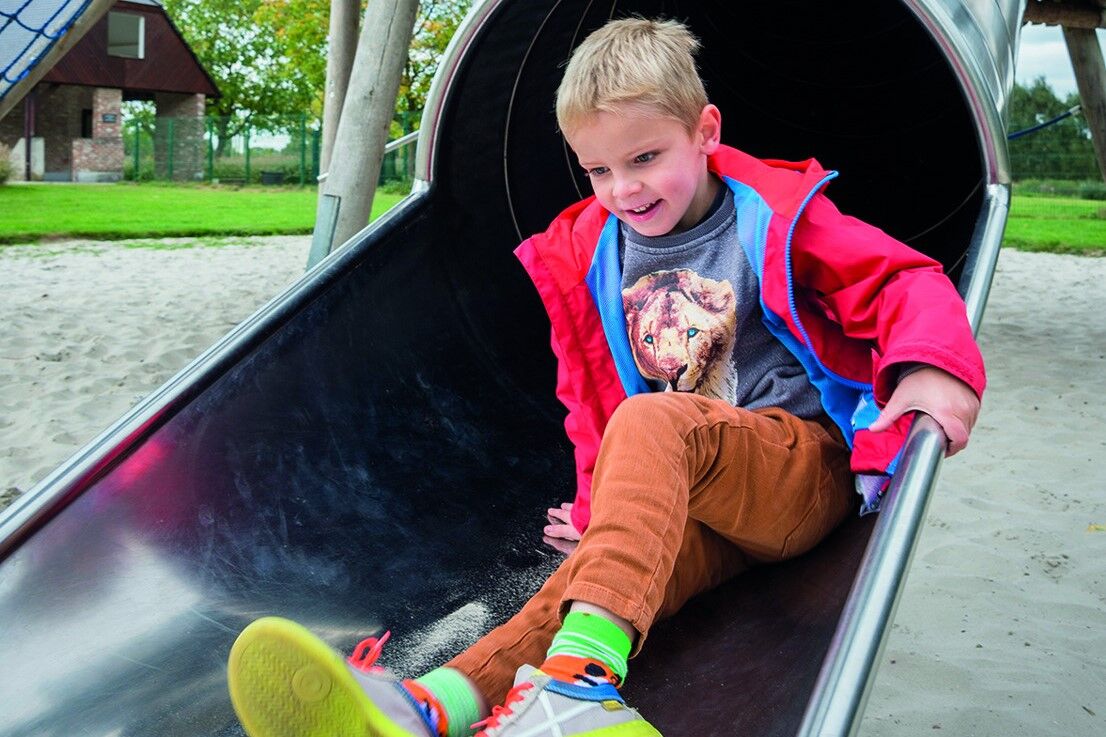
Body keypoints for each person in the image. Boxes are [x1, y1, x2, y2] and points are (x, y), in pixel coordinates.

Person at [226, 17, 984, 737]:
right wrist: (601, 507)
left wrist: (930, 370)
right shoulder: (596, 251)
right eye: (599, 169)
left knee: (654, 419)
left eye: (645, 158)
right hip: (703, 504)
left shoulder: (774, 215)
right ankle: (431, 705)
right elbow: (590, 396)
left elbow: (901, 281)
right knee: (595, 577)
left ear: (706, 132)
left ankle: (577, 687)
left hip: (795, 473)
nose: (624, 188)